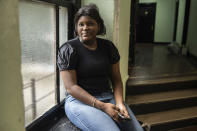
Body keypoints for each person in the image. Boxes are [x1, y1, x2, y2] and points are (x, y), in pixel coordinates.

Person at [57, 4, 143, 131]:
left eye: (90, 23)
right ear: (77, 27)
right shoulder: (68, 49)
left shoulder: (108, 47)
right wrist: (102, 106)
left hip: (108, 97)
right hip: (80, 102)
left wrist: (119, 102)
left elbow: (116, 79)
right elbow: (71, 88)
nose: (85, 28)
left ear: (99, 26)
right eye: (81, 24)